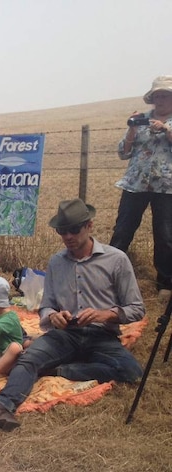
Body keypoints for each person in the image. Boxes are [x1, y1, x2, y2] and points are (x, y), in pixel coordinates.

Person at [0, 199, 145, 433]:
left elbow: (137, 308)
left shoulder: (116, 260)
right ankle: (0, 409)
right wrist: (53, 316)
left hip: (102, 335)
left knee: (131, 372)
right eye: (62, 231)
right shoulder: (56, 262)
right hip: (64, 334)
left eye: (74, 230)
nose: (67, 236)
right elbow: (46, 307)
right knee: (28, 359)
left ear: (89, 226)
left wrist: (105, 314)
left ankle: (62, 370)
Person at [110, 75, 172, 306]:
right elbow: (122, 153)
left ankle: (165, 284)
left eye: (165, 95)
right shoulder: (141, 120)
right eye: (158, 96)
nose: (161, 100)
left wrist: (166, 129)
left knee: (165, 236)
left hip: (167, 187)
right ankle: (108, 275)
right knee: (123, 230)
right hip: (135, 184)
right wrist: (132, 130)